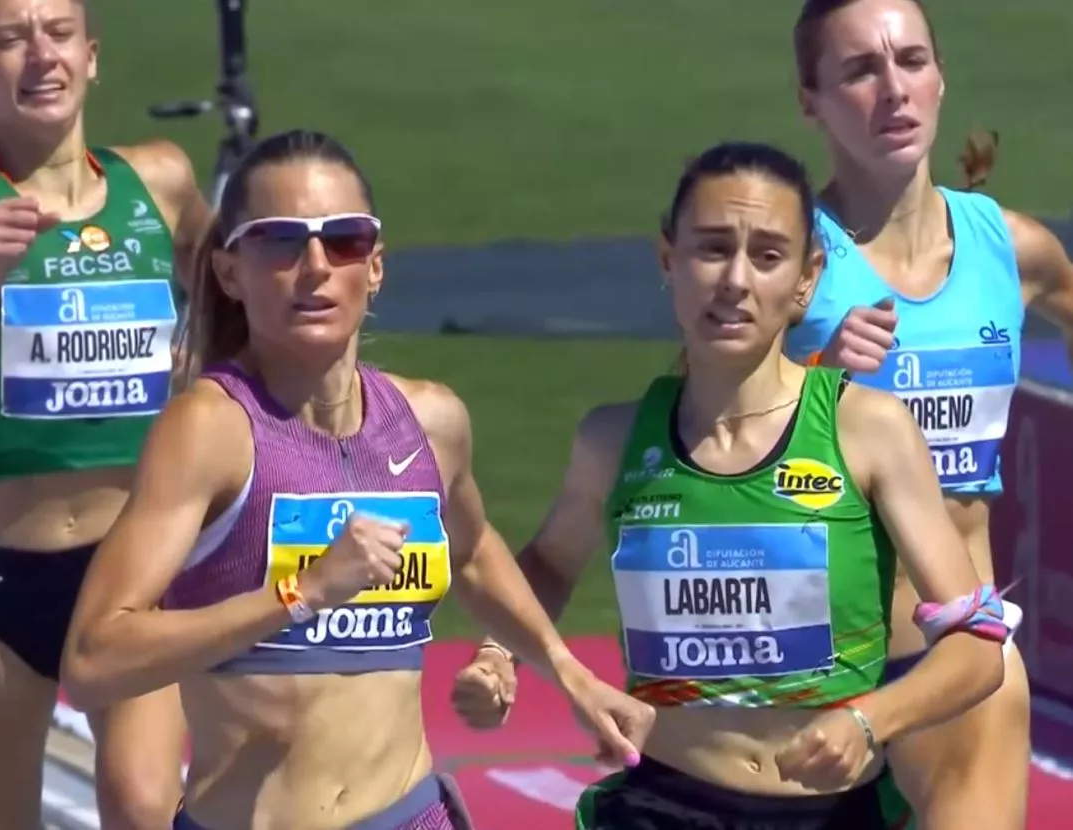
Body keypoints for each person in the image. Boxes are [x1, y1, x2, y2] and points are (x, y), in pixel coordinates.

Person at [61, 127, 656, 830]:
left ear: (374, 267)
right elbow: (96, 656)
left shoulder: (429, 421)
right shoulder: (209, 430)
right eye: (280, 240)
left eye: (342, 239)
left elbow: (468, 551)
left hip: (410, 815)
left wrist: (564, 672)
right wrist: (300, 593)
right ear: (229, 271)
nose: (314, 265)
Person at [452, 141, 1010, 829]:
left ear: (807, 280)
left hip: (832, 813)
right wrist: (498, 652)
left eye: (768, 256)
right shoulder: (614, 442)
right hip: (663, 804)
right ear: (669, 260)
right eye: (712, 249)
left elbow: (979, 647)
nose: (735, 280)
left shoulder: (868, 430)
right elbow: (546, 564)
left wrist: (870, 720)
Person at [0, 0, 207, 826]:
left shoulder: (159, 181)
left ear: (91, 56)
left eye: (57, 33)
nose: (40, 57)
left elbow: (235, 290)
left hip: (130, 574)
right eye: (10, 40)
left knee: (142, 809)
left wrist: (199, 366)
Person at [780, 0, 1073, 824]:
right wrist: (807, 374)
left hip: (958, 666)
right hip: (804, 674)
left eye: (910, 61)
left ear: (941, 78)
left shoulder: (1011, 250)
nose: (893, 90)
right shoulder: (783, 265)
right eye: (860, 70)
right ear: (810, 98)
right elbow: (685, 432)